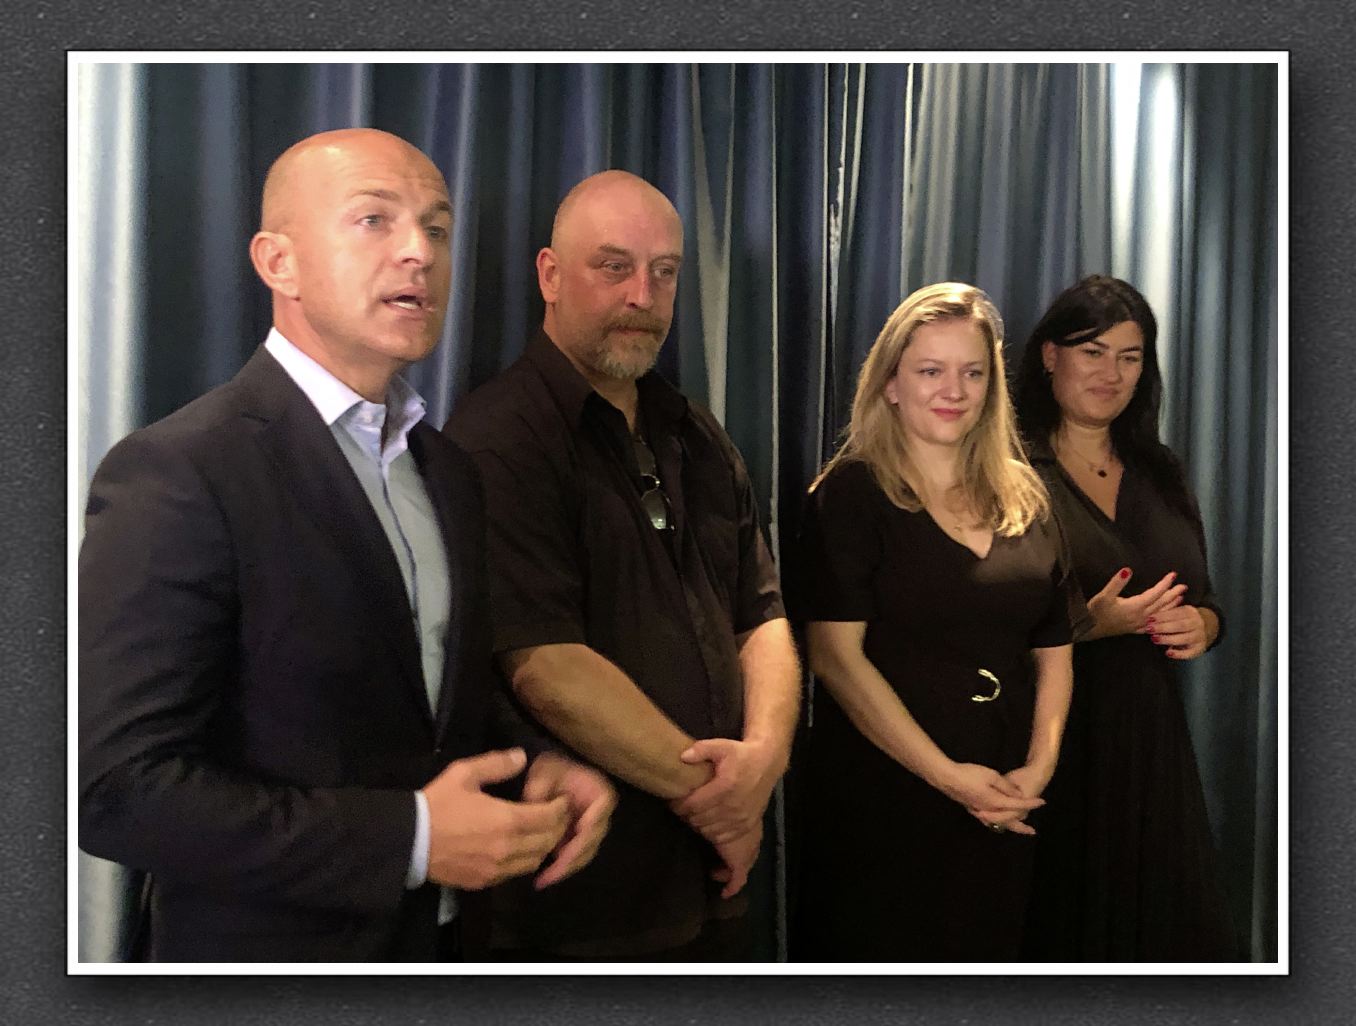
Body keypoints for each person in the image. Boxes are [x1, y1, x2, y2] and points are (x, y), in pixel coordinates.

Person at [78, 128, 615, 963]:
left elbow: (429, 698)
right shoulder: (181, 471)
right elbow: (116, 790)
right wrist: (410, 839)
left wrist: (536, 762)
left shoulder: (448, 471)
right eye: (374, 219)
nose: (419, 252)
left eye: (437, 228)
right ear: (279, 262)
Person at [443, 169, 801, 961]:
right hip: (583, 896)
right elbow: (544, 665)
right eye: (614, 267)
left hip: (715, 880)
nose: (643, 295)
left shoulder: (697, 434)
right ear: (549, 275)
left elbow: (763, 615)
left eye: (664, 272)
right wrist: (719, 800)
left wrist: (764, 765)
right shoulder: (499, 439)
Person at [791, 282, 1077, 961]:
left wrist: (1038, 769)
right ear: (890, 384)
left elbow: (1056, 649)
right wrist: (948, 776)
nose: (954, 390)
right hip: (888, 799)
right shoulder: (850, 494)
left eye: (972, 373)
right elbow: (835, 658)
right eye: (930, 371)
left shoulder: (1026, 496)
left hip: (1008, 797)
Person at [1013, 274, 1238, 960]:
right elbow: (969, 622)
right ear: (1050, 355)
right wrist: (1085, 626)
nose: (1111, 374)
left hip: (1151, 744)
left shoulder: (1160, 469)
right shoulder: (1008, 467)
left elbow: (1206, 596)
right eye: (1093, 351)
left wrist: (1205, 626)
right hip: (1044, 743)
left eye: (1130, 357)